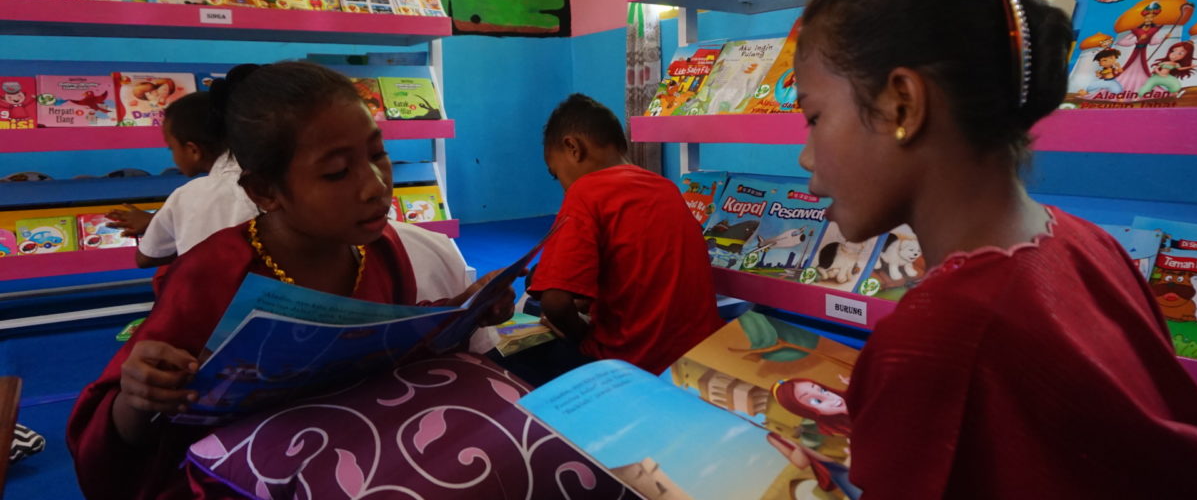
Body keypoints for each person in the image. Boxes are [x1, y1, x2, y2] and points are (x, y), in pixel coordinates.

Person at [793, 0, 1197, 498]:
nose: (805, 157)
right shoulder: (1088, 245)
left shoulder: (932, 343)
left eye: (814, 117)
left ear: (902, 103)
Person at [67, 62, 513, 500]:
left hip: (364, 457)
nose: (376, 186)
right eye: (337, 172)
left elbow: (392, 347)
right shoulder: (213, 272)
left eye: (378, 154)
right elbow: (120, 438)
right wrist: (137, 397)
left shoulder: (382, 249)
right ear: (264, 191)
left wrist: (464, 310)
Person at [522, 94, 723, 379]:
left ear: (573, 148)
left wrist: (582, 338)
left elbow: (555, 303)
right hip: (693, 359)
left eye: (557, 175)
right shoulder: (667, 189)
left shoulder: (586, 192)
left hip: (629, 366)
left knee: (529, 317)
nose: (563, 187)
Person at [108, 91, 258, 269]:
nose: (173, 156)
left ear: (193, 150)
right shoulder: (267, 175)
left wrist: (159, 222)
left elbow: (146, 258)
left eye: (171, 148)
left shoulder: (189, 195)